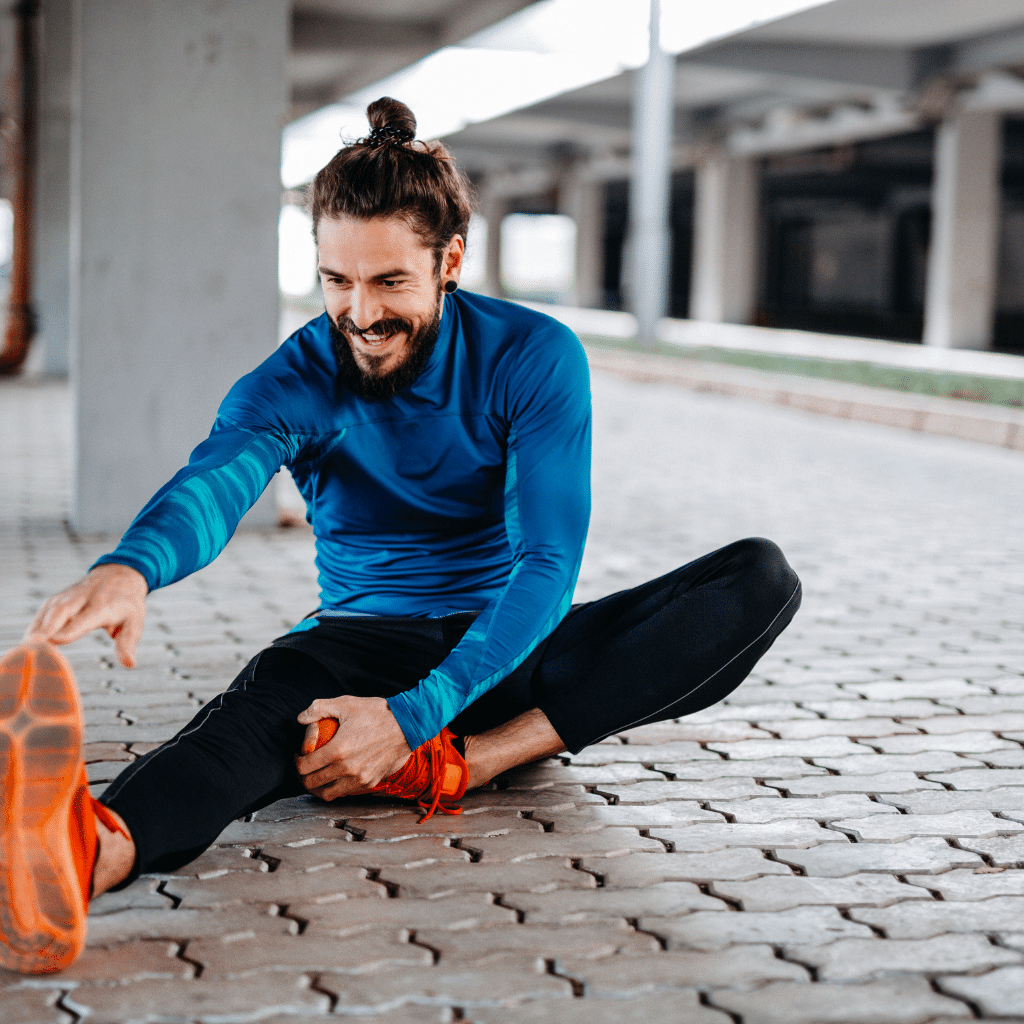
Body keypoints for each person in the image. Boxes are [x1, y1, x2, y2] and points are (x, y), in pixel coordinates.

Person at [0, 97, 801, 975]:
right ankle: (81, 856)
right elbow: (217, 480)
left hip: (506, 646)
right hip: (357, 648)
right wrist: (133, 568)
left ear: (449, 261)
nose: (360, 315)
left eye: (389, 283)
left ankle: (472, 763)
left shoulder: (532, 355)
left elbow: (546, 564)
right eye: (336, 281)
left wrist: (415, 725)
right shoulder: (295, 377)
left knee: (757, 580)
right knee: (237, 733)